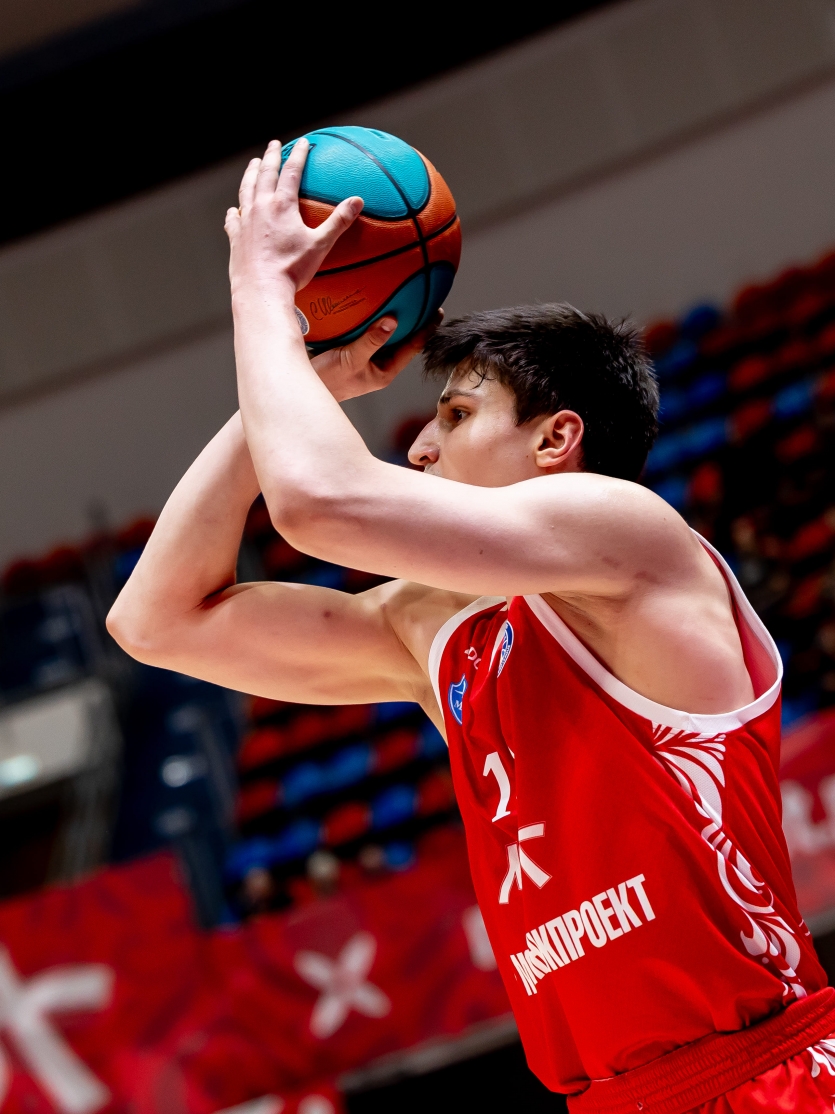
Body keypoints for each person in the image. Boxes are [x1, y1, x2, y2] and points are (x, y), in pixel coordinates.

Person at [107, 140, 835, 1112]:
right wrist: (308, 372)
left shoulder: (632, 538)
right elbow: (156, 620)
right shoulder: (434, 629)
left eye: (454, 415)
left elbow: (319, 502)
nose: (417, 445)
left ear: (556, 438)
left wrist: (266, 300)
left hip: (764, 1076)